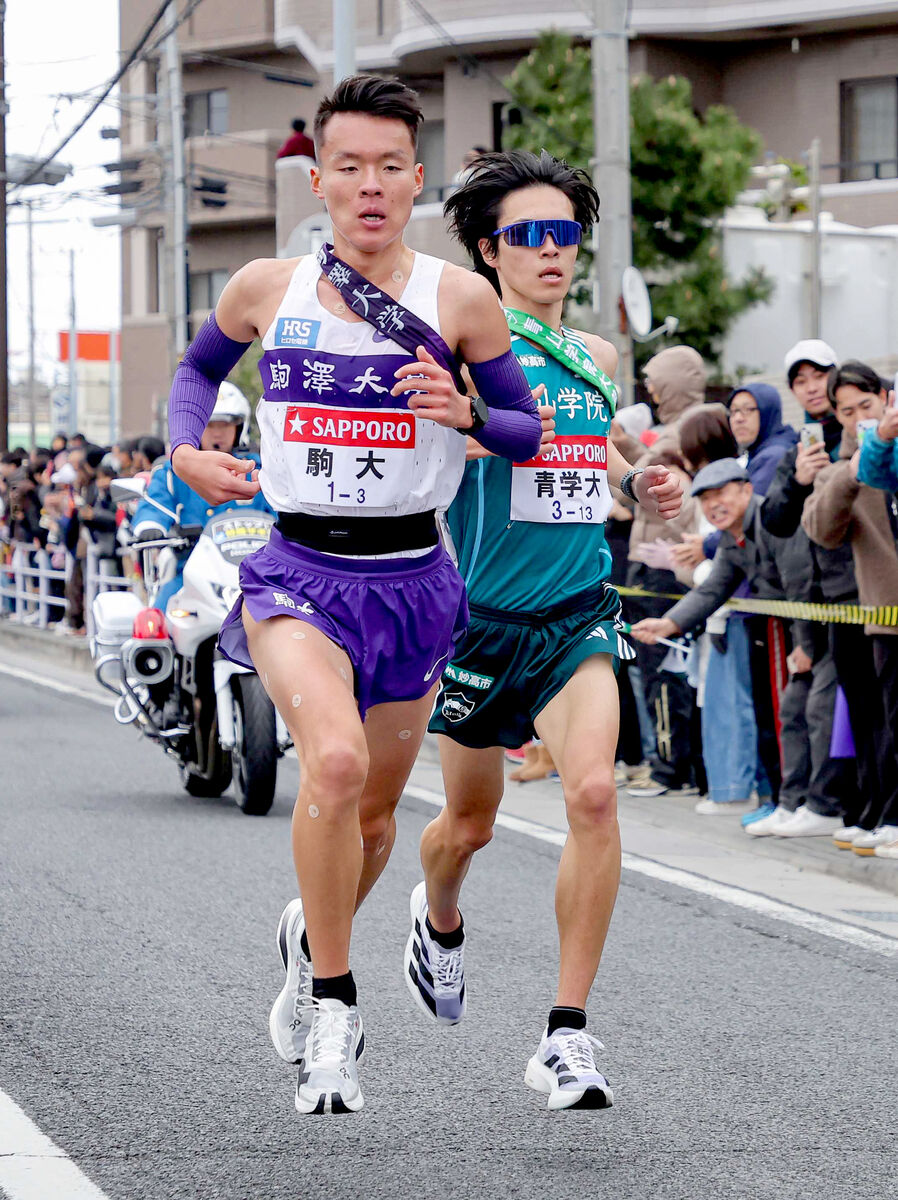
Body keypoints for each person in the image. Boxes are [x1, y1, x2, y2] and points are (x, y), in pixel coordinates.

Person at [168, 75, 542, 1116]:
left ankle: (307, 933)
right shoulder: (264, 284)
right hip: (296, 570)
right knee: (328, 765)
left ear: (416, 181)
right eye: (350, 166)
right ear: (319, 177)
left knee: (372, 818)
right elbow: (195, 378)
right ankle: (334, 1002)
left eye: (390, 168)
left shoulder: (459, 300)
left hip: (412, 579)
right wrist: (186, 449)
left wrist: (469, 409)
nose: (369, 186)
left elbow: (527, 433)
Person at [407, 149, 683, 1111]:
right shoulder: (460, 347)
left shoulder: (598, 358)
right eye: (526, 235)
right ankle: (437, 919)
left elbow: (590, 451)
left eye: (564, 234)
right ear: (489, 251)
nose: (550, 251)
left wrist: (639, 478)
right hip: (479, 623)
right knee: (468, 828)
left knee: (597, 795)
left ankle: (565, 1036)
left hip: (576, 612)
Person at [631, 459, 791, 813]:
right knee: (770, 717)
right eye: (705, 499)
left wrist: (807, 645)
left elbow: (804, 582)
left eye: (722, 494)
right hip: (771, 628)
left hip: (799, 631)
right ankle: (778, 801)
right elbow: (712, 590)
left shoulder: (772, 521)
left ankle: (794, 803)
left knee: (789, 716)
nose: (714, 505)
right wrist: (667, 625)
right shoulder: (734, 536)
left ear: (747, 490)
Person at [757, 339, 861, 838]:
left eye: (818, 375)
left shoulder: (862, 435)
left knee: (840, 705)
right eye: (799, 380)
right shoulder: (801, 444)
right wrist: (798, 481)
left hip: (864, 591)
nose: (810, 386)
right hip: (814, 599)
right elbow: (775, 521)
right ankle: (811, 803)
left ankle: (835, 806)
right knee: (810, 705)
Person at [803, 361, 898, 858]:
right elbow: (821, 529)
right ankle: (884, 814)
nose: (859, 416)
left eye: (867, 405)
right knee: (877, 717)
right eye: (847, 411)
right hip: (876, 611)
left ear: (885, 398)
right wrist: (859, 463)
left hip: (874, 609)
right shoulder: (843, 467)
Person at [133, 384, 270, 612]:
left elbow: (284, 509)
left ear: (239, 427)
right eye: (210, 424)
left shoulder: (262, 468)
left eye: (225, 424)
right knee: (156, 624)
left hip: (257, 575)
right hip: (188, 573)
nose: (218, 432)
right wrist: (150, 526)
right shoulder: (174, 471)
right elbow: (154, 504)